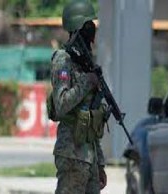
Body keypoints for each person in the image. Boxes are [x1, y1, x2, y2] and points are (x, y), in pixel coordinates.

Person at [47, 0, 107, 194]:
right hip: (71, 153)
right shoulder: (63, 59)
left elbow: (91, 117)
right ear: (78, 27)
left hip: (89, 157)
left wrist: (100, 163)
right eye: (89, 25)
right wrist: (86, 82)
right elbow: (62, 103)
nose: (93, 30)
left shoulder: (85, 63)